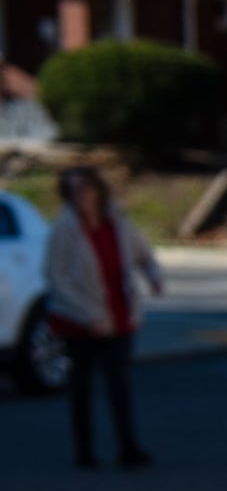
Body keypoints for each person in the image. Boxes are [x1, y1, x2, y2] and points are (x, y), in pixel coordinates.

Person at [46, 166, 163, 470]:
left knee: (119, 384)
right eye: (73, 190)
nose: (80, 195)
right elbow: (56, 280)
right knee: (81, 386)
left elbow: (142, 255)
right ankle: (84, 451)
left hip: (119, 315)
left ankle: (128, 447)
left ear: (97, 189)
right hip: (80, 320)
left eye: (85, 187)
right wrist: (89, 316)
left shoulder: (118, 222)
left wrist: (154, 276)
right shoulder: (63, 228)